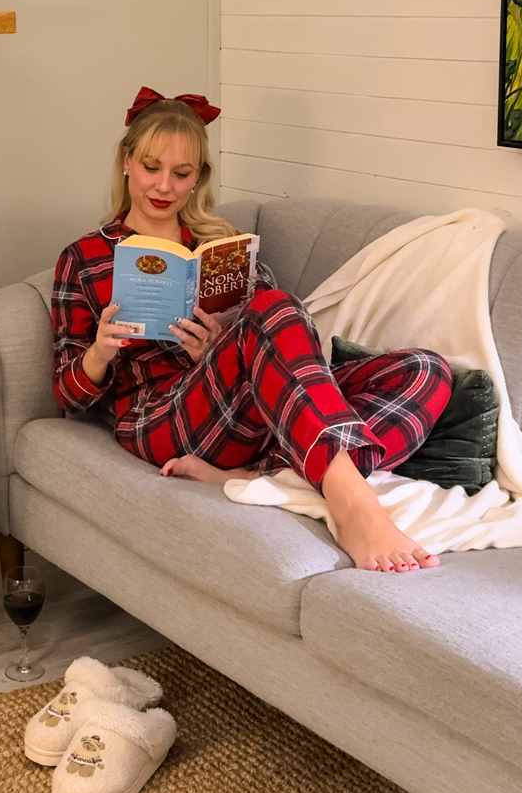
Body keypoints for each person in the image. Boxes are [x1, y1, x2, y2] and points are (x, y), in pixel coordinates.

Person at [51, 87, 453, 573]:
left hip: (250, 411)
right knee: (274, 309)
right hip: (159, 415)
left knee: (424, 370)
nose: (163, 186)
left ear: (198, 178)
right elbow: (67, 400)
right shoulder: (84, 258)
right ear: (126, 161)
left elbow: (282, 339)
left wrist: (217, 349)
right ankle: (353, 504)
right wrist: (99, 353)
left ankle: (255, 474)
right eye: (151, 168)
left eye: (181, 174)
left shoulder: (222, 247)